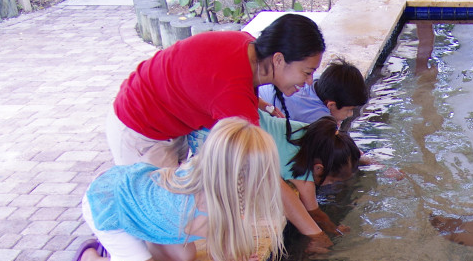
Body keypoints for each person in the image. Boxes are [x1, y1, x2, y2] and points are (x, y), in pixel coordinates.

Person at [66, 117, 306, 261]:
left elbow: (222, 248)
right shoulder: (209, 215)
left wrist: (228, 256)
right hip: (110, 203)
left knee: (185, 257)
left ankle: (135, 246)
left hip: (138, 195)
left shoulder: (205, 175)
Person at [108, 14, 325, 169]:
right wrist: (316, 228)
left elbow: (215, 85)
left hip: (165, 119)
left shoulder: (246, 45)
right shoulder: (232, 94)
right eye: (307, 72)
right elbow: (259, 172)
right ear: (278, 59)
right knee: (158, 222)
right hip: (140, 129)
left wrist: (263, 105)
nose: (308, 82)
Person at [262, 115, 362, 239]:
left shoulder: (309, 132)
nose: (330, 184)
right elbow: (314, 213)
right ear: (319, 168)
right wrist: (334, 229)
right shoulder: (300, 169)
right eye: (331, 180)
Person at [260, 59, 369, 128]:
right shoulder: (317, 118)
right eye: (349, 110)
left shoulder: (317, 81)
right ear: (331, 105)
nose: (350, 114)